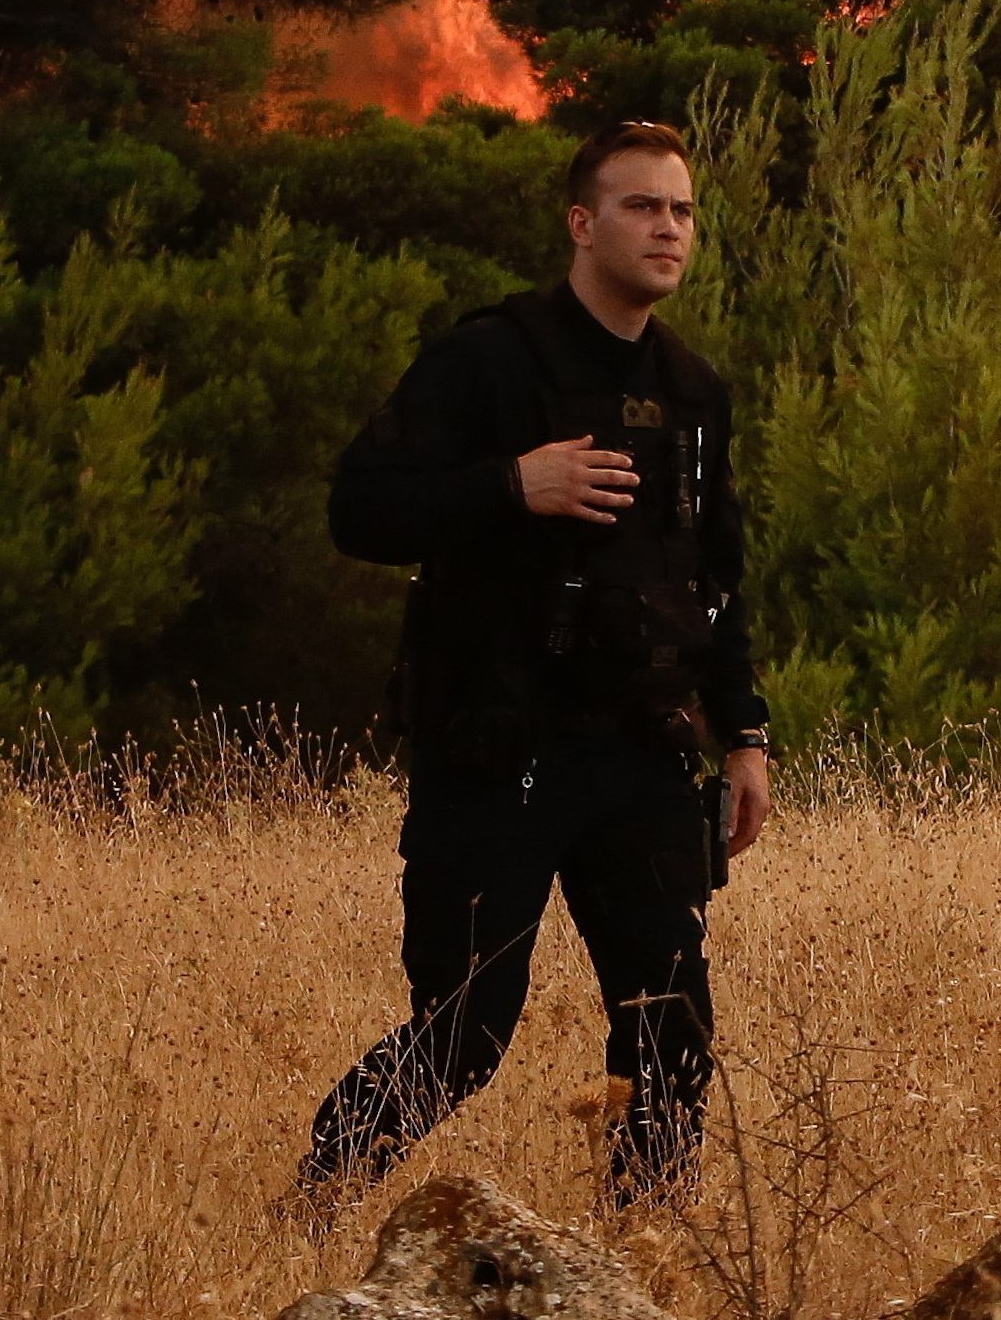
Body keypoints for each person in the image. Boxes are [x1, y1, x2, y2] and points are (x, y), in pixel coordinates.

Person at [295, 116, 775, 1211]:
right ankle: (315, 1204)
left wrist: (742, 733)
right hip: (495, 747)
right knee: (465, 1026)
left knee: (672, 1025)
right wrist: (511, 486)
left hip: (639, 751)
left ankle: (641, 1244)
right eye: (641, 206)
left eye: (682, 210)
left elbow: (718, 577)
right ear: (581, 222)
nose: (667, 228)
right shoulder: (487, 361)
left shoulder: (696, 394)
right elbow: (358, 507)